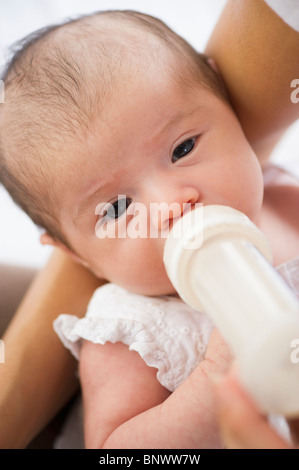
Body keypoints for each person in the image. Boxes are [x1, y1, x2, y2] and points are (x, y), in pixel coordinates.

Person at [0, 0, 298, 449]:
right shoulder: (127, 330)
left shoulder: (283, 200)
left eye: (182, 149)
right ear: (77, 255)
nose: (172, 205)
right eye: (117, 209)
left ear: (226, 100)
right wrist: (221, 370)